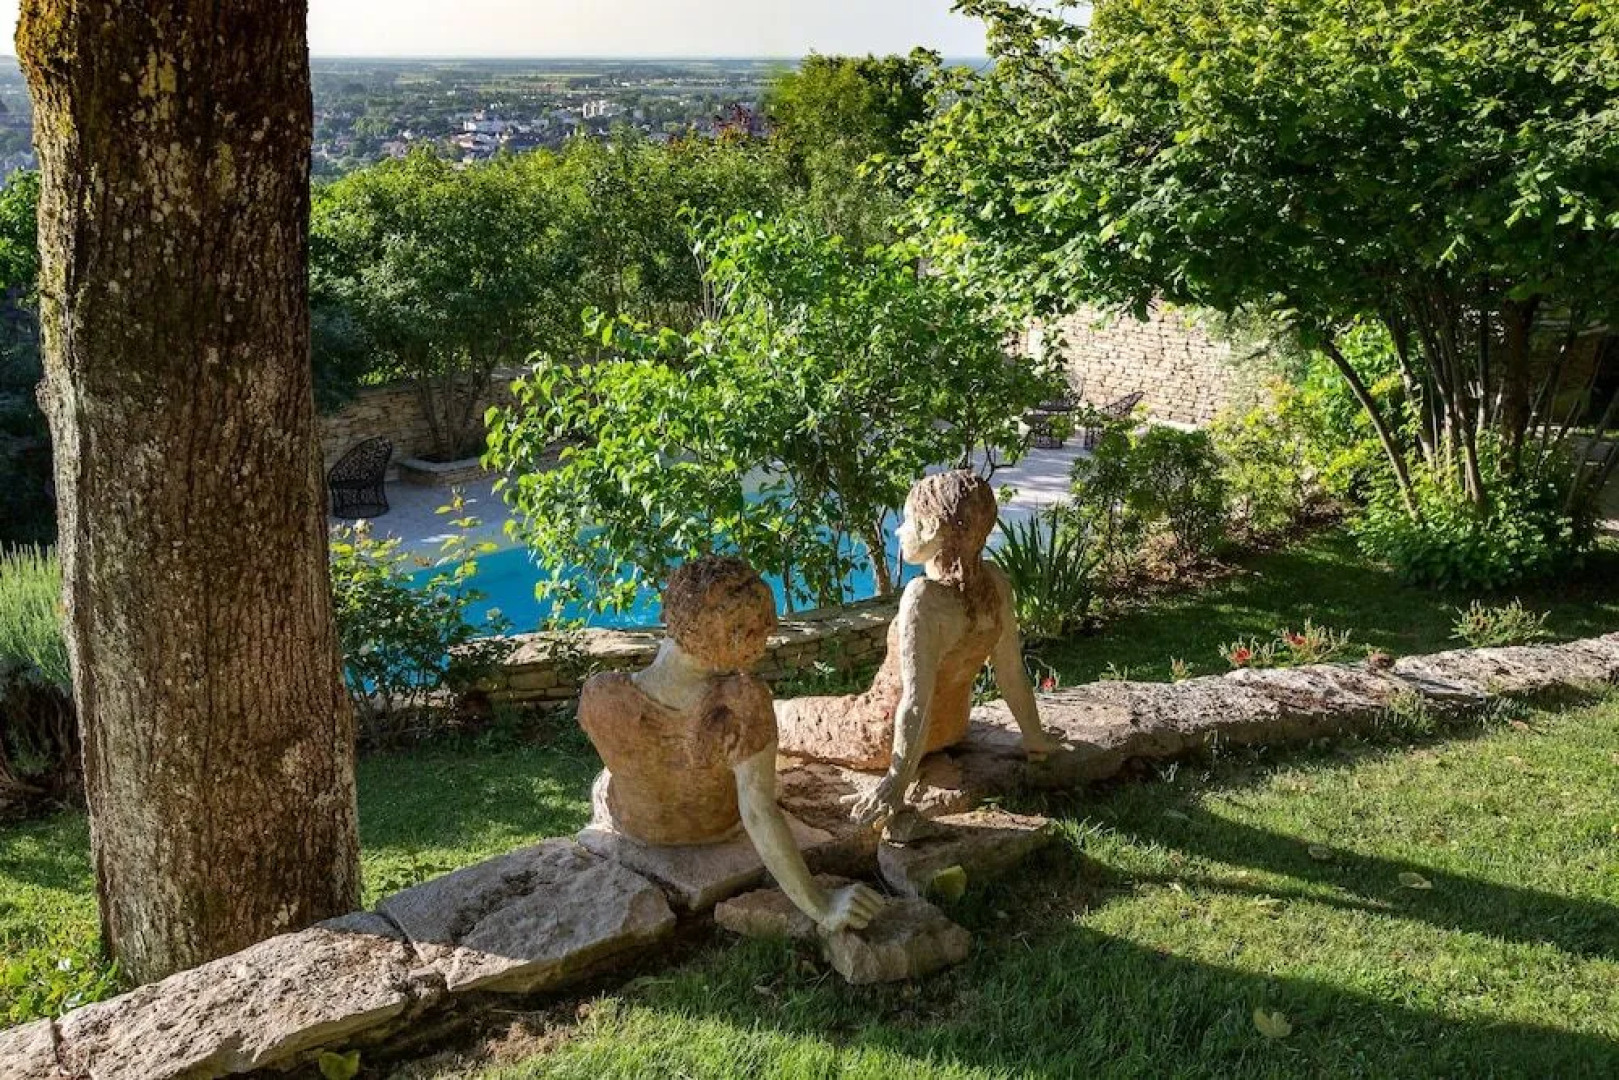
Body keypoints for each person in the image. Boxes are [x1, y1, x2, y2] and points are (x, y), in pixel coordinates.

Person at [578, 555, 884, 934]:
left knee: (609, 778)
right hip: (716, 826)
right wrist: (821, 906)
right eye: (761, 631)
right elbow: (757, 813)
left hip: (634, 825)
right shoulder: (740, 702)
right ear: (732, 635)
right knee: (765, 777)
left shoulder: (601, 695)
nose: (770, 636)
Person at [775, 471, 1059, 828]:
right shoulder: (995, 583)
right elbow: (1011, 672)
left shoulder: (924, 598)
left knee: (780, 714)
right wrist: (1035, 739)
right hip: (953, 727)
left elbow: (915, 701)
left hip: (879, 733)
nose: (900, 531)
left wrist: (895, 781)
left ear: (932, 528)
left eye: (908, 520)